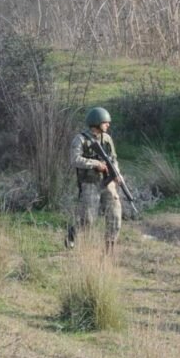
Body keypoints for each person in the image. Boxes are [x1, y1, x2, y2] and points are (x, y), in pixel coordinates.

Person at [67, 107, 123, 254]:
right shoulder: (81, 139)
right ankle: (73, 232)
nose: (108, 125)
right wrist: (95, 164)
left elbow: (113, 159)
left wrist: (117, 173)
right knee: (88, 219)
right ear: (96, 122)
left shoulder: (107, 139)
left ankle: (109, 249)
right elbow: (75, 159)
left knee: (115, 214)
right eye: (105, 122)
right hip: (90, 183)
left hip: (108, 183)